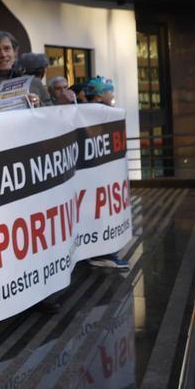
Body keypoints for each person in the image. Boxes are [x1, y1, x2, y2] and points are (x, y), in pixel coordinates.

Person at [81, 76, 130, 270]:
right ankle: (100, 253)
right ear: (100, 95)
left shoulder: (100, 113)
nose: (113, 95)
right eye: (110, 91)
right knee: (98, 215)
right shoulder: (96, 114)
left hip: (102, 179)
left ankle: (102, 251)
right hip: (97, 179)